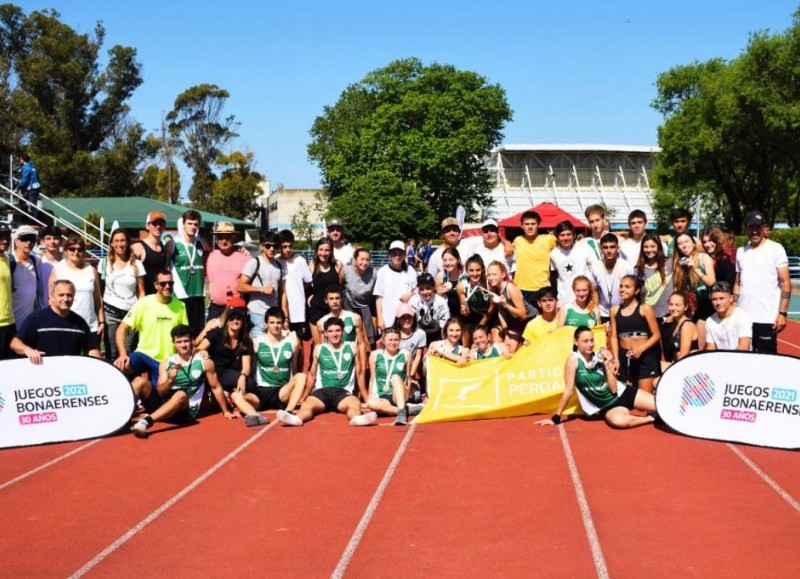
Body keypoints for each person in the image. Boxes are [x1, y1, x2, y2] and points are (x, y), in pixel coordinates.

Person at [536, 326, 656, 429]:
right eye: (585, 341)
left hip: (624, 393)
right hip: (608, 407)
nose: (590, 344)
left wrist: (606, 364)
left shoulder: (599, 357)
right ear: (576, 342)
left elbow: (613, 389)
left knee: (661, 405)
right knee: (618, 421)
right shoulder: (573, 360)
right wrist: (556, 418)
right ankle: (651, 419)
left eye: (592, 340)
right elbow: (568, 390)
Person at [129, 325, 235, 438]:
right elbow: (160, 392)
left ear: (192, 341)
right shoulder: (166, 363)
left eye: (186, 341)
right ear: (173, 343)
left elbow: (216, 387)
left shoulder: (204, 362)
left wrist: (226, 411)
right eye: (179, 342)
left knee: (180, 394)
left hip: (183, 411)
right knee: (139, 381)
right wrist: (170, 380)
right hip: (163, 405)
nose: (183, 345)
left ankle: (146, 422)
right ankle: (121, 420)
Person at [276, 317, 376, 427]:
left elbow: (360, 373)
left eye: (338, 330)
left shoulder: (351, 347)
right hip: (321, 391)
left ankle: (356, 419)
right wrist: (305, 396)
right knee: (307, 405)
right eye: (331, 331)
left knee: (355, 404)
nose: (334, 334)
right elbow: (312, 375)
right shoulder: (319, 349)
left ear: (342, 332)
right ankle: (297, 419)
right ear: (326, 334)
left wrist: (366, 397)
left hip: (343, 392)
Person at [233, 307, 307, 427]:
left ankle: (288, 412)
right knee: (236, 396)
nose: (275, 326)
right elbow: (249, 366)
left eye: (278, 322)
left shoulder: (291, 343)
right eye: (272, 322)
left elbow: (294, 369)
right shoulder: (257, 342)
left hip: (282, 392)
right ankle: (257, 417)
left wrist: (295, 387)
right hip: (261, 392)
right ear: (266, 324)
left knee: (301, 376)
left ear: (283, 324)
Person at [114, 270, 189, 386]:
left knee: (158, 395)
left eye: (170, 283)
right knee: (121, 366)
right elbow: (121, 329)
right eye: (163, 284)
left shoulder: (180, 306)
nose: (167, 286)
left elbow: (185, 336)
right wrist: (123, 354)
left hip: (166, 360)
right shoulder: (144, 303)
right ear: (156, 285)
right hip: (144, 354)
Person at [733, 211, 791, 354]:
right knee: (741, 359)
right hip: (743, 317)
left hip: (766, 318)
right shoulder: (741, 251)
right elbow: (737, 282)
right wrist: (734, 307)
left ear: (764, 228)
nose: (754, 231)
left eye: (758, 227)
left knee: (767, 363)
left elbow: (785, 282)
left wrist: (782, 313)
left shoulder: (776, 249)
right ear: (745, 228)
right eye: (750, 227)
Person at [11, 279, 102, 362]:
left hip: (71, 373)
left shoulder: (79, 322)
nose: (65, 299)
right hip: (41, 371)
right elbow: (15, 343)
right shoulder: (36, 319)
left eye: (69, 295)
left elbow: (92, 349)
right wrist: (28, 350)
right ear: (52, 297)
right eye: (61, 295)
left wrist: (100, 366)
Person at [609, 275, 661, 394]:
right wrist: (616, 359)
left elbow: (656, 335)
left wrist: (640, 350)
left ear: (636, 290)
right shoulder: (614, 310)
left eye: (627, 287)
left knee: (645, 397)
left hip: (645, 358)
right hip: (625, 358)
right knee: (626, 397)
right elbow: (613, 336)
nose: (622, 289)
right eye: (621, 286)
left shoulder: (645, 308)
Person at [99, 229, 145, 362]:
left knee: (128, 351)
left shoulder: (137, 264)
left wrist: (138, 314)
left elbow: (141, 292)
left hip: (130, 313)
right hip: (110, 313)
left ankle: (128, 381)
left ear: (128, 243)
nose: (120, 244)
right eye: (116, 241)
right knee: (112, 352)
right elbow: (99, 292)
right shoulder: (104, 263)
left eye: (123, 240)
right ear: (112, 244)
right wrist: (101, 317)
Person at [49, 234, 104, 340]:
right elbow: (51, 300)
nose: (76, 252)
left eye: (80, 249)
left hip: (90, 326)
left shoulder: (91, 270)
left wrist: (101, 322)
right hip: (66, 326)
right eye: (72, 249)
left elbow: (98, 298)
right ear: (65, 251)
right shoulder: (57, 270)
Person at [366, 326, 422, 425]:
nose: (393, 342)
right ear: (383, 341)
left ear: (400, 341)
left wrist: (407, 393)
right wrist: (370, 396)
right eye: (390, 340)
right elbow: (372, 378)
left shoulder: (405, 355)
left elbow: (408, 377)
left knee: (395, 377)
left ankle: (401, 415)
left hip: (399, 394)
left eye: (396, 340)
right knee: (371, 403)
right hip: (383, 396)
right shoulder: (375, 355)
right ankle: (404, 410)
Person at [317, 285, 369, 392]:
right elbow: (322, 348)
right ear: (326, 301)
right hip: (333, 362)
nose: (335, 301)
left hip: (350, 360)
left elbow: (361, 344)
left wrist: (363, 366)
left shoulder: (354, 318)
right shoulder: (321, 322)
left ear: (342, 299)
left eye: (337, 298)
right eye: (331, 299)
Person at [195, 302, 253, 396]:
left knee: (250, 383)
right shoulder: (217, 333)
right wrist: (202, 350)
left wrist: (242, 376)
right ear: (227, 322)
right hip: (213, 371)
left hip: (229, 372)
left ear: (242, 322)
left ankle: (230, 392)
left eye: (238, 319)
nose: (235, 321)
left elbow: (246, 366)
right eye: (232, 319)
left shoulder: (245, 340)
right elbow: (197, 349)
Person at [168, 209, 211, 334]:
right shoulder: (173, 244)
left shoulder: (202, 243)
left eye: (196, 224)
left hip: (198, 293)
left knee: (198, 332)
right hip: (180, 294)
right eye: (190, 223)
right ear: (183, 224)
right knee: (181, 332)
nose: (193, 227)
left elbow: (214, 255)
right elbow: (165, 267)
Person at [238, 231, 286, 339]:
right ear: (261, 246)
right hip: (256, 315)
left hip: (274, 317)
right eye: (268, 246)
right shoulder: (254, 263)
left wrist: (285, 317)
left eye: (275, 246)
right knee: (258, 349)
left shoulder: (278, 265)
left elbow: (282, 293)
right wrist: (262, 289)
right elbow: (240, 286)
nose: (272, 249)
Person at [672, 232, 715, 349]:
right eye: (680, 243)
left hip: (706, 305)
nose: (684, 245)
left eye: (686, 241)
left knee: (701, 346)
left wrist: (694, 268)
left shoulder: (703, 257)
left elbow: (711, 281)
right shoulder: (679, 262)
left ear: (693, 243)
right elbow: (679, 289)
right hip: (691, 308)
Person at [205, 221, 251, 321]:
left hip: (236, 307)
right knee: (211, 334)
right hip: (215, 308)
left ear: (233, 238)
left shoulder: (244, 256)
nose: (224, 241)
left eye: (228, 237)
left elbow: (250, 283)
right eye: (220, 238)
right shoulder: (210, 255)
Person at [512, 210, 556, 310]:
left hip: (542, 288)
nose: (530, 226)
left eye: (533, 224)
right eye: (527, 224)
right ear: (522, 226)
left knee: (546, 321)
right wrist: (505, 242)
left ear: (538, 225)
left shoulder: (549, 240)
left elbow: (566, 244)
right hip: (521, 288)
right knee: (523, 321)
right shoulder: (517, 240)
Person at [277, 229, 313, 348]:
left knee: (298, 344)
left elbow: (308, 281)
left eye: (290, 246)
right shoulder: (276, 261)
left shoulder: (300, 261)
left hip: (298, 311)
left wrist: (297, 289)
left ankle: (298, 367)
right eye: (284, 246)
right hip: (280, 311)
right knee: (281, 342)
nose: (288, 249)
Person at [549, 220, 597, 308]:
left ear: (574, 235)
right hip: (564, 301)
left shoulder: (585, 249)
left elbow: (595, 272)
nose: (566, 238)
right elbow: (554, 276)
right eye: (562, 235)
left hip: (585, 299)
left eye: (568, 234)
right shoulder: (554, 253)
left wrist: (594, 297)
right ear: (557, 237)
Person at [306, 237, 343, 345]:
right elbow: (310, 285)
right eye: (321, 250)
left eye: (327, 250)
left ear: (331, 251)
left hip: (333, 310)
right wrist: (312, 294)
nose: (323, 253)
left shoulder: (337, 265)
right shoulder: (312, 265)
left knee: (335, 344)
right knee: (320, 346)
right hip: (316, 310)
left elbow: (341, 286)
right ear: (316, 251)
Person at [374, 240, 417, 334]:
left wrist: (410, 294)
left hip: (406, 319)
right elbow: (379, 297)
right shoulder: (382, 271)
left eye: (400, 254)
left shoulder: (411, 271)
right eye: (394, 254)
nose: (397, 257)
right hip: (388, 318)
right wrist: (380, 318)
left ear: (404, 255)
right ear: (389, 254)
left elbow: (417, 289)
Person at [589, 233, 634, 323]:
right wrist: (597, 311)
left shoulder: (627, 266)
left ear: (618, 248)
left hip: (622, 310)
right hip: (603, 312)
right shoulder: (595, 267)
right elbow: (594, 291)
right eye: (605, 247)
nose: (609, 251)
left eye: (612, 247)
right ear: (600, 249)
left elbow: (632, 291)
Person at [486, 260, 528, 352]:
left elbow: (523, 314)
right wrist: (506, 332)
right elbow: (500, 312)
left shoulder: (510, 288)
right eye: (488, 275)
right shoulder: (494, 289)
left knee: (509, 349)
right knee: (499, 345)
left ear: (503, 274)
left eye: (494, 274)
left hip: (527, 321)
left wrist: (506, 305)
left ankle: (519, 344)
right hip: (513, 322)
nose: (490, 277)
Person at [634, 233, 673, 327]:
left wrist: (673, 314)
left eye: (652, 246)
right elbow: (636, 296)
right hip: (647, 317)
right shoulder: (638, 269)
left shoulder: (669, 263)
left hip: (668, 316)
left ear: (658, 247)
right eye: (646, 247)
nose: (649, 250)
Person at [10, 224, 44, 328]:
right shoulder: (9, 262)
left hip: (28, 325)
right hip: (10, 324)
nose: (28, 242)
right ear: (16, 241)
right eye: (24, 239)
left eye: (32, 239)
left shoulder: (36, 261)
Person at [342, 247, 376, 347]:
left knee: (368, 340)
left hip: (366, 306)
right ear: (356, 260)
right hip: (349, 305)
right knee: (350, 336)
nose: (364, 262)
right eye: (362, 259)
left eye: (367, 259)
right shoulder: (347, 270)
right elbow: (340, 283)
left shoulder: (374, 273)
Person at [706, 281, 752, 351]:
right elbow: (711, 347)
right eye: (714, 299)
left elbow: (744, 346)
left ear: (731, 298)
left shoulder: (743, 316)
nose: (718, 303)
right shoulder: (710, 321)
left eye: (721, 298)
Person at [131, 211, 169, 295]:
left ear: (165, 226)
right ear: (147, 226)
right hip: (141, 298)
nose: (158, 226)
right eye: (154, 223)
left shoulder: (165, 249)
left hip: (158, 298)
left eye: (161, 223)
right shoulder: (138, 247)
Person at [456, 254, 494, 336]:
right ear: (466, 270)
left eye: (478, 270)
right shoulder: (461, 285)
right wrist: (465, 310)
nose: (475, 273)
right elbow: (464, 303)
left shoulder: (489, 283)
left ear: (483, 269)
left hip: (490, 317)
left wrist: (481, 324)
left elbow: (492, 307)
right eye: (471, 270)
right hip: (473, 318)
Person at [408, 272, 449, 345]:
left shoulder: (441, 301)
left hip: (437, 334)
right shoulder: (413, 301)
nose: (425, 292)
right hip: (419, 334)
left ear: (434, 287)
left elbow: (445, 323)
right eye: (422, 289)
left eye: (428, 288)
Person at [661, 291, 699, 367]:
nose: (673, 308)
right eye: (671, 304)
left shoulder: (686, 326)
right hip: (678, 364)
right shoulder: (674, 323)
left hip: (688, 366)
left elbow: (683, 356)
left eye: (677, 305)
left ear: (685, 307)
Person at [434, 246, 464, 320]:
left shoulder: (465, 275)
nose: (447, 263)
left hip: (465, 315)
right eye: (445, 260)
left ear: (458, 260)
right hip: (447, 316)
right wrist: (439, 293)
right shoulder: (440, 276)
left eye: (451, 260)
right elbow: (437, 299)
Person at [36, 226, 62, 310]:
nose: (52, 242)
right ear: (42, 242)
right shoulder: (37, 262)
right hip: (43, 311)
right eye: (48, 238)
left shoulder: (67, 263)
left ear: (61, 241)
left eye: (55, 238)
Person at [14, 153, 42, 223]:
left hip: (32, 189)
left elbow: (24, 180)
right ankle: (26, 217)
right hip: (34, 188)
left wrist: (17, 188)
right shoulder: (33, 167)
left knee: (32, 206)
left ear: (23, 160)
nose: (19, 160)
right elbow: (38, 179)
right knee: (21, 201)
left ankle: (36, 222)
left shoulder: (26, 168)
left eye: (20, 159)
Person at [0, 224, 14, 359]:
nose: (4, 241)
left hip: (9, 322)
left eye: (7, 237)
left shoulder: (7, 259)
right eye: (1, 237)